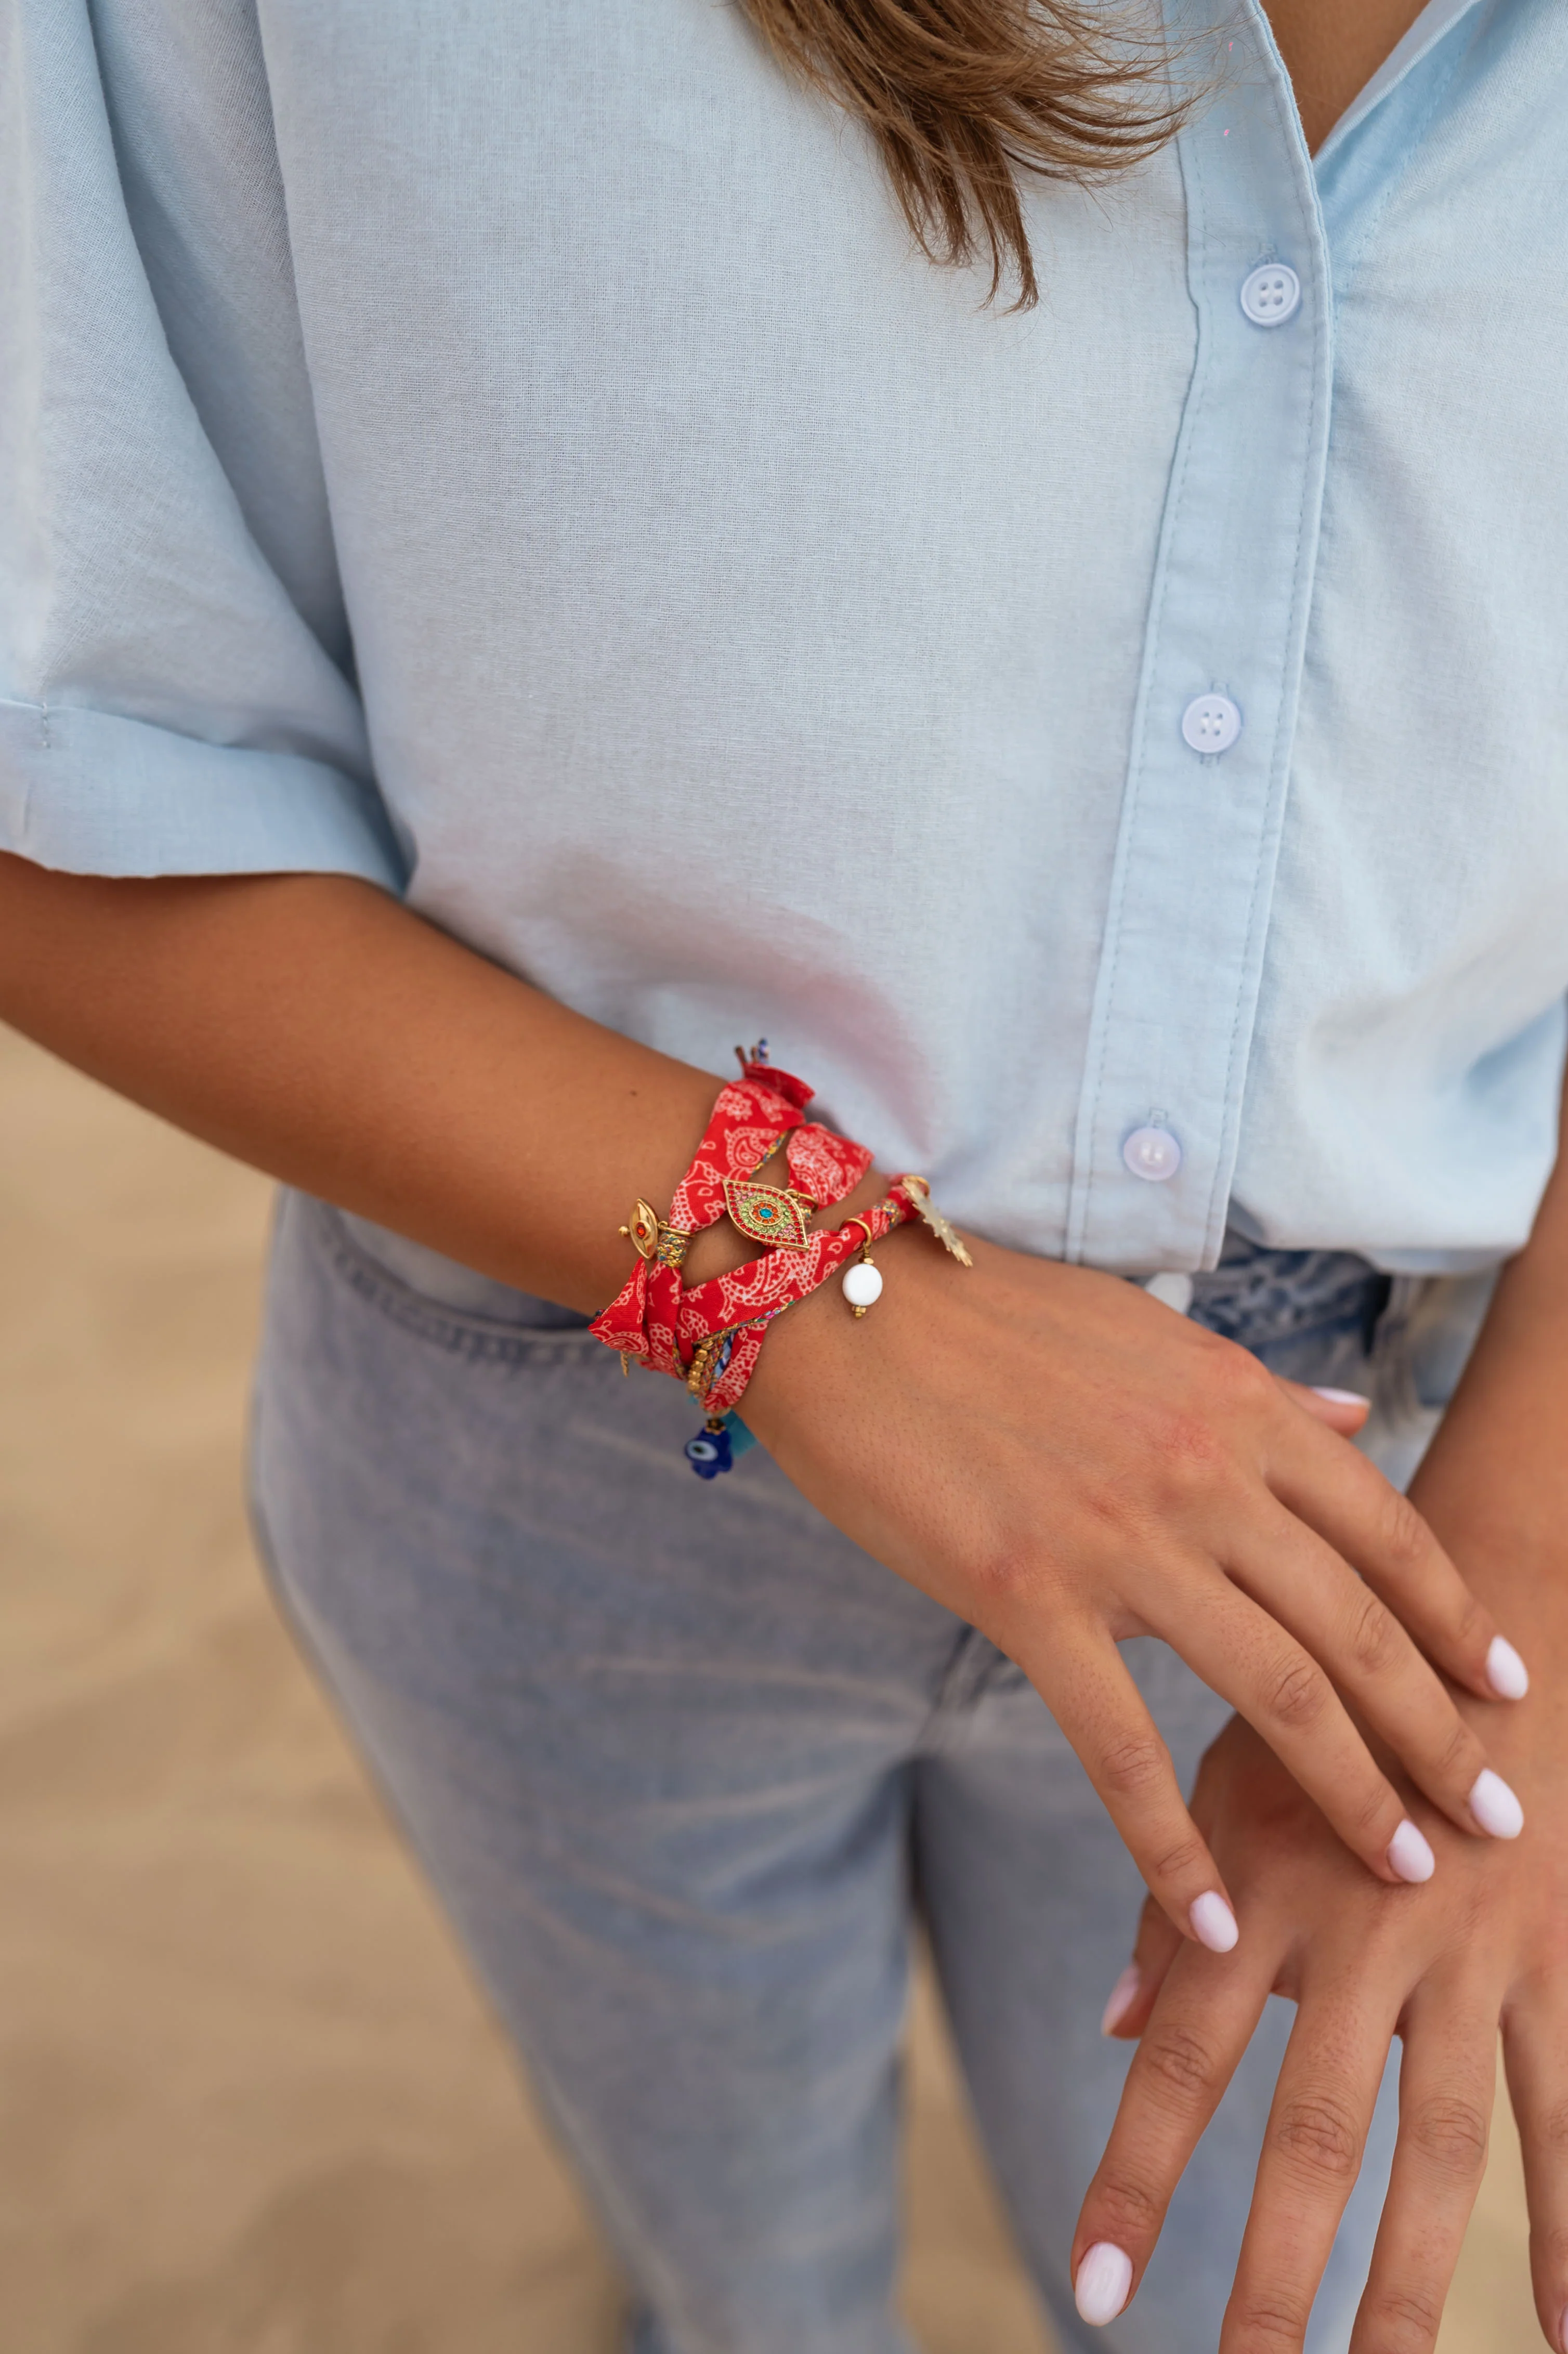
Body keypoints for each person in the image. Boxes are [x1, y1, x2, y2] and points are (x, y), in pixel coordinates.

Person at [3, 0, 1565, 2347]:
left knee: (1214, 2274)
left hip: (1379, 1496)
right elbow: (66, 764)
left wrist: (1527, 1562)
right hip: (565, 1411)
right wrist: (827, 1287)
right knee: (743, 2271)